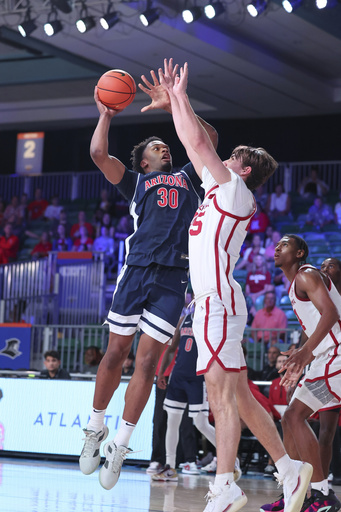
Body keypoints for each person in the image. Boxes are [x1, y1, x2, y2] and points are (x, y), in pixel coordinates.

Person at [159, 59, 311, 512]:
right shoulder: (218, 189)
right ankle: (288, 468)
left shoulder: (234, 192)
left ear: (242, 171)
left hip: (217, 302)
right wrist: (174, 103)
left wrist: (179, 95)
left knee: (219, 394)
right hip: (217, 301)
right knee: (239, 395)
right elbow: (196, 142)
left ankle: (226, 485)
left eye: (230, 161)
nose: (221, 162)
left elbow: (199, 142)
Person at [78, 59, 219, 492]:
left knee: (145, 363)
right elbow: (99, 155)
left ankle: (121, 444)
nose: (166, 149)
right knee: (115, 354)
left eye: (167, 146)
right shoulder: (137, 182)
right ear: (143, 159)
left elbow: (209, 138)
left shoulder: (189, 176)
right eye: (158, 146)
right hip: (137, 271)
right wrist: (105, 113)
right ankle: (95, 428)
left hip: (173, 278)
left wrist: (177, 101)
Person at [261, 235, 341, 512]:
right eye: (277, 245)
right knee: (289, 419)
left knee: (295, 416)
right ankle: (297, 492)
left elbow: (330, 313)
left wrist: (306, 353)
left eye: (284, 245)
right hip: (325, 360)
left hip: (336, 358)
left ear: (300, 253)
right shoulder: (296, 284)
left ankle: (321, 495)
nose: (277, 248)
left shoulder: (306, 275)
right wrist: (300, 359)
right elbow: (315, 323)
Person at [152, 310, 223, 481]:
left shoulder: (212, 318)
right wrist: (161, 373)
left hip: (198, 378)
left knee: (201, 424)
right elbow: (171, 349)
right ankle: (170, 466)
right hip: (178, 377)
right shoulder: (184, 319)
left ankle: (231, 457)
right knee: (172, 422)